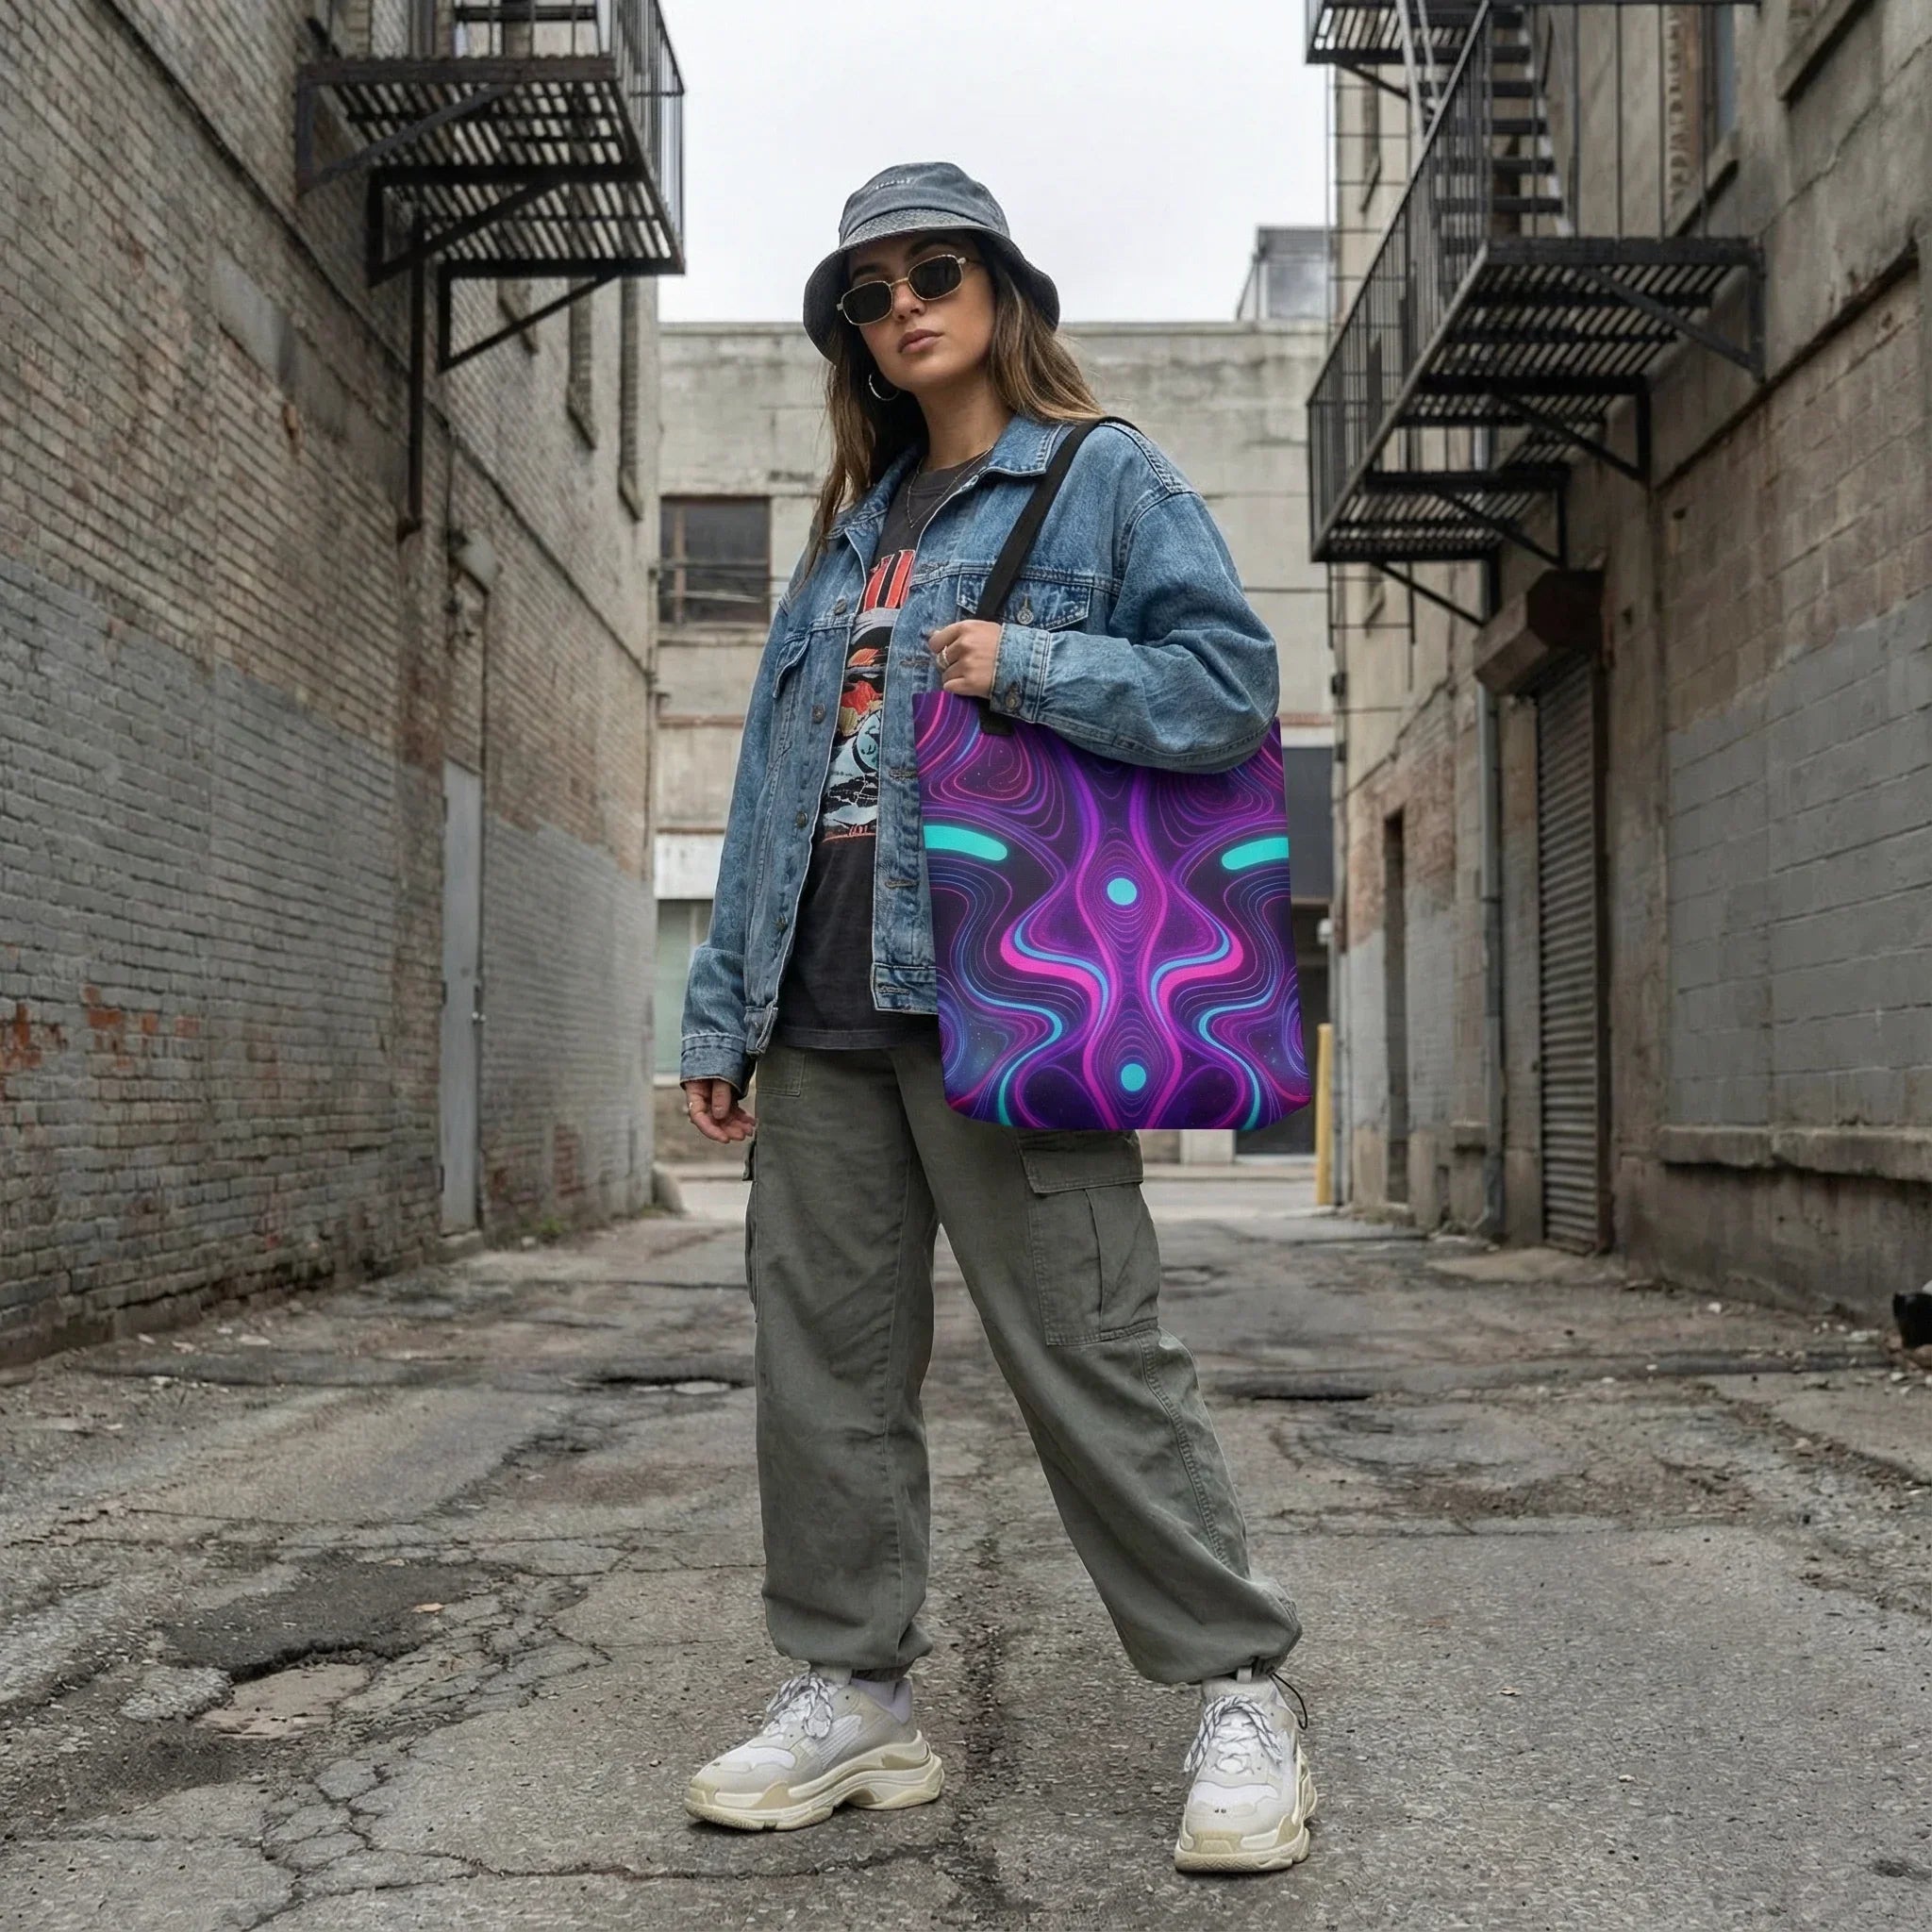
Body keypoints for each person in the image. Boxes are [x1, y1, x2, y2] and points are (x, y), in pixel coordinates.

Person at [677, 161, 1314, 1876]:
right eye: (868, 293)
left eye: (934, 272)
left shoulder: (1106, 478)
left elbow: (1230, 689)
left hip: (1009, 995)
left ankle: (1238, 1690)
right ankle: (854, 1691)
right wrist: (723, 1008)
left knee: (1090, 1351)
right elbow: (769, 785)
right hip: (818, 1004)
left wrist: (1023, 664)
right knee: (824, 1371)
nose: (903, 308)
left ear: (1003, 290)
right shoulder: (849, 530)